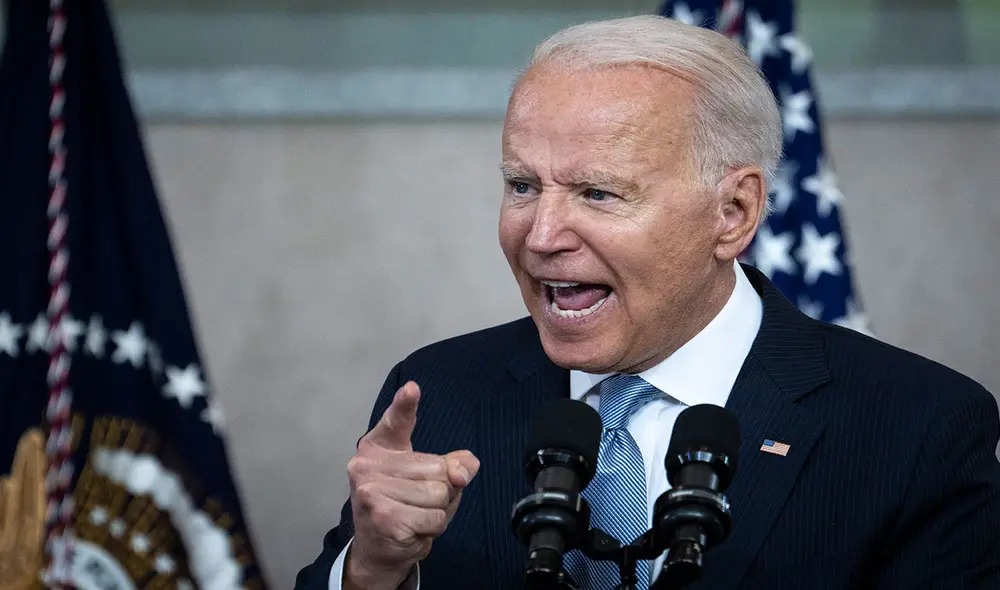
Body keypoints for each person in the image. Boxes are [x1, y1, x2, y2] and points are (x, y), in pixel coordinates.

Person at [294, 15, 1000, 590]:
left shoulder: (917, 427)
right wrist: (372, 571)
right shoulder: (442, 393)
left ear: (733, 212)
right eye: (522, 186)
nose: (540, 235)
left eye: (598, 193)